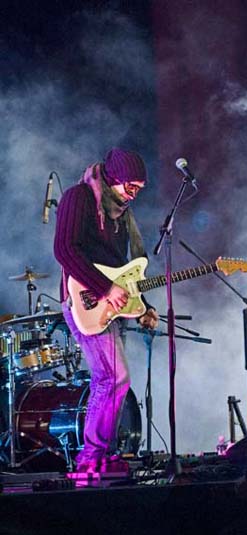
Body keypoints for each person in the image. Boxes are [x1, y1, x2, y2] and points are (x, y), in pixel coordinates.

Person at [54, 148, 158, 474]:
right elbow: (64, 249)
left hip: (110, 303)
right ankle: (90, 456)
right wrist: (104, 288)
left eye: (139, 189)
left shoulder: (121, 214)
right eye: (131, 187)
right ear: (113, 179)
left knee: (113, 380)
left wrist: (144, 307)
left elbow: (126, 271)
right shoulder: (79, 198)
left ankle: (102, 454)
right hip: (83, 299)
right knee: (113, 378)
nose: (135, 195)